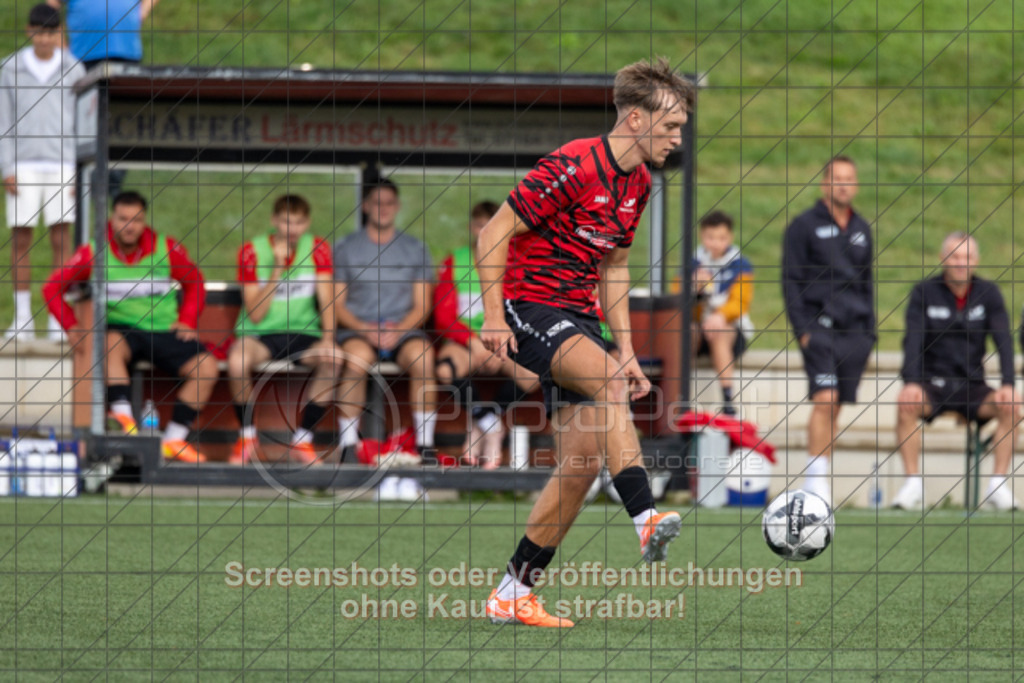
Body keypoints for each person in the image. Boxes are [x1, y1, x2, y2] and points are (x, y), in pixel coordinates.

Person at [477, 58, 694, 628]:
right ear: (633, 118)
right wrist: (494, 318)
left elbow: (615, 267)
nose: (678, 137)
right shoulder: (574, 164)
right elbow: (493, 230)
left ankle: (512, 592)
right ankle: (645, 515)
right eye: (670, 126)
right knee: (606, 384)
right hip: (528, 306)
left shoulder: (640, 183)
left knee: (579, 465)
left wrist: (623, 347)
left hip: (578, 318)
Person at [43, 191, 218, 463]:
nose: (129, 226)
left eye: (135, 220)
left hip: (163, 330)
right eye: (123, 218)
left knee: (206, 367)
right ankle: (125, 420)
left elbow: (195, 280)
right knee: (109, 343)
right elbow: (52, 288)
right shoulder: (93, 251)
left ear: (144, 220)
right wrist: (72, 326)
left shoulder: (165, 247)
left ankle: (173, 440)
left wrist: (188, 318)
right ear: (112, 219)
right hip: (123, 332)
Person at [893, 233, 1020, 511]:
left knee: (1013, 404)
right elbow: (912, 341)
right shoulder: (923, 292)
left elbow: (1004, 342)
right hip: (932, 385)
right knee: (906, 402)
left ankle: (997, 485)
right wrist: (911, 382)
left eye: (967, 257)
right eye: (955, 257)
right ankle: (912, 484)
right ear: (943, 259)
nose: (961, 263)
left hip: (973, 387)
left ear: (976, 261)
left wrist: (1008, 383)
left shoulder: (989, 294)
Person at [333, 177, 437, 492]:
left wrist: (398, 330)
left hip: (403, 331)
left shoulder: (416, 248)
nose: (383, 209)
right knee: (355, 361)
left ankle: (425, 446)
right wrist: (366, 329)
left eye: (389, 203)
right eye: (376, 202)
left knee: (424, 359)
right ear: (365, 206)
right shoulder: (345, 248)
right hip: (359, 329)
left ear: (398, 206)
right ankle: (348, 446)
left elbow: (423, 305)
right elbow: (337, 304)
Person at [781, 155, 874, 504]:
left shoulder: (862, 229)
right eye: (837, 178)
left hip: (856, 335)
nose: (844, 185)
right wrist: (802, 330)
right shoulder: (803, 226)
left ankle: (820, 472)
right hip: (818, 330)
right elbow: (790, 280)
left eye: (850, 179)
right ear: (824, 184)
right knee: (826, 399)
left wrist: (870, 333)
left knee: (835, 407)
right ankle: (815, 483)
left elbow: (868, 283)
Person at [227, 195, 342, 466]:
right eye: (286, 222)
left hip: (304, 333)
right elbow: (256, 314)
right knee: (236, 361)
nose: (292, 229)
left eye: (299, 223)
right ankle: (247, 437)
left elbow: (327, 298)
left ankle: (303, 440)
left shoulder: (317, 248)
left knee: (334, 359)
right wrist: (278, 268)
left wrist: (328, 338)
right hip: (260, 334)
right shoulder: (251, 251)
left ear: (308, 223)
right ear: (274, 221)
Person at [433, 200, 539, 468]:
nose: (485, 232)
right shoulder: (455, 260)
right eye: (480, 225)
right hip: (466, 343)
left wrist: (498, 343)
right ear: (472, 227)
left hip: (505, 342)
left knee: (535, 375)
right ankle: (490, 424)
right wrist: (474, 343)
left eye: (491, 226)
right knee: (446, 369)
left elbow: (525, 312)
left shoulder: (518, 262)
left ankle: (484, 422)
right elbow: (444, 317)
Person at [1, 4, 85, 343]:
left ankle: (57, 317)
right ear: (29, 31)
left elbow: (83, 122)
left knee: (61, 240)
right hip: (22, 165)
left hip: (63, 164)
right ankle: (22, 317)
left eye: (51, 33)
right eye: (39, 32)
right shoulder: (9, 68)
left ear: (59, 34)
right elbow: (2, 120)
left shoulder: (75, 69)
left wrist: (79, 169)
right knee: (21, 240)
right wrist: (6, 166)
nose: (45, 39)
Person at [691, 210, 753, 415]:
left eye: (721, 238)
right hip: (699, 330)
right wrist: (694, 291)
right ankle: (677, 393)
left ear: (730, 238)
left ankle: (727, 398)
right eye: (710, 237)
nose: (716, 243)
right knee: (685, 333)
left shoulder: (741, 265)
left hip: (730, 330)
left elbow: (740, 303)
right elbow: (677, 301)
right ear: (702, 237)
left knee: (720, 331)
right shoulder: (693, 264)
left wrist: (719, 315)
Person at [46, 0, 159, 69]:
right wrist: (60, 44)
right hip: (84, 55)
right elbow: (51, 6)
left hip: (127, 51)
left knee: (124, 106)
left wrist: (142, 12)